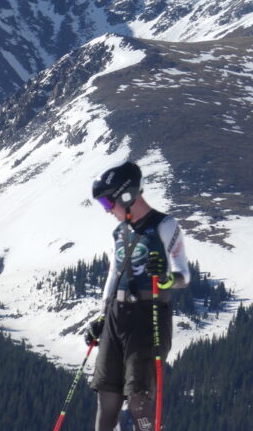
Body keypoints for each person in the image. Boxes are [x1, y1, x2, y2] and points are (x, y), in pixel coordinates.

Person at [85, 160, 190, 431]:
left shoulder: (165, 225)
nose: (107, 211)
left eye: (108, 204)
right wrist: (101, 317)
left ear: (127, 195)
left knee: (139, 399)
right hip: (116, 317)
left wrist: (166, 280)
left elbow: (183, 276)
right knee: (107, 396)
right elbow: (113, 275)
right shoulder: (118, 232)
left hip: (148, 316)